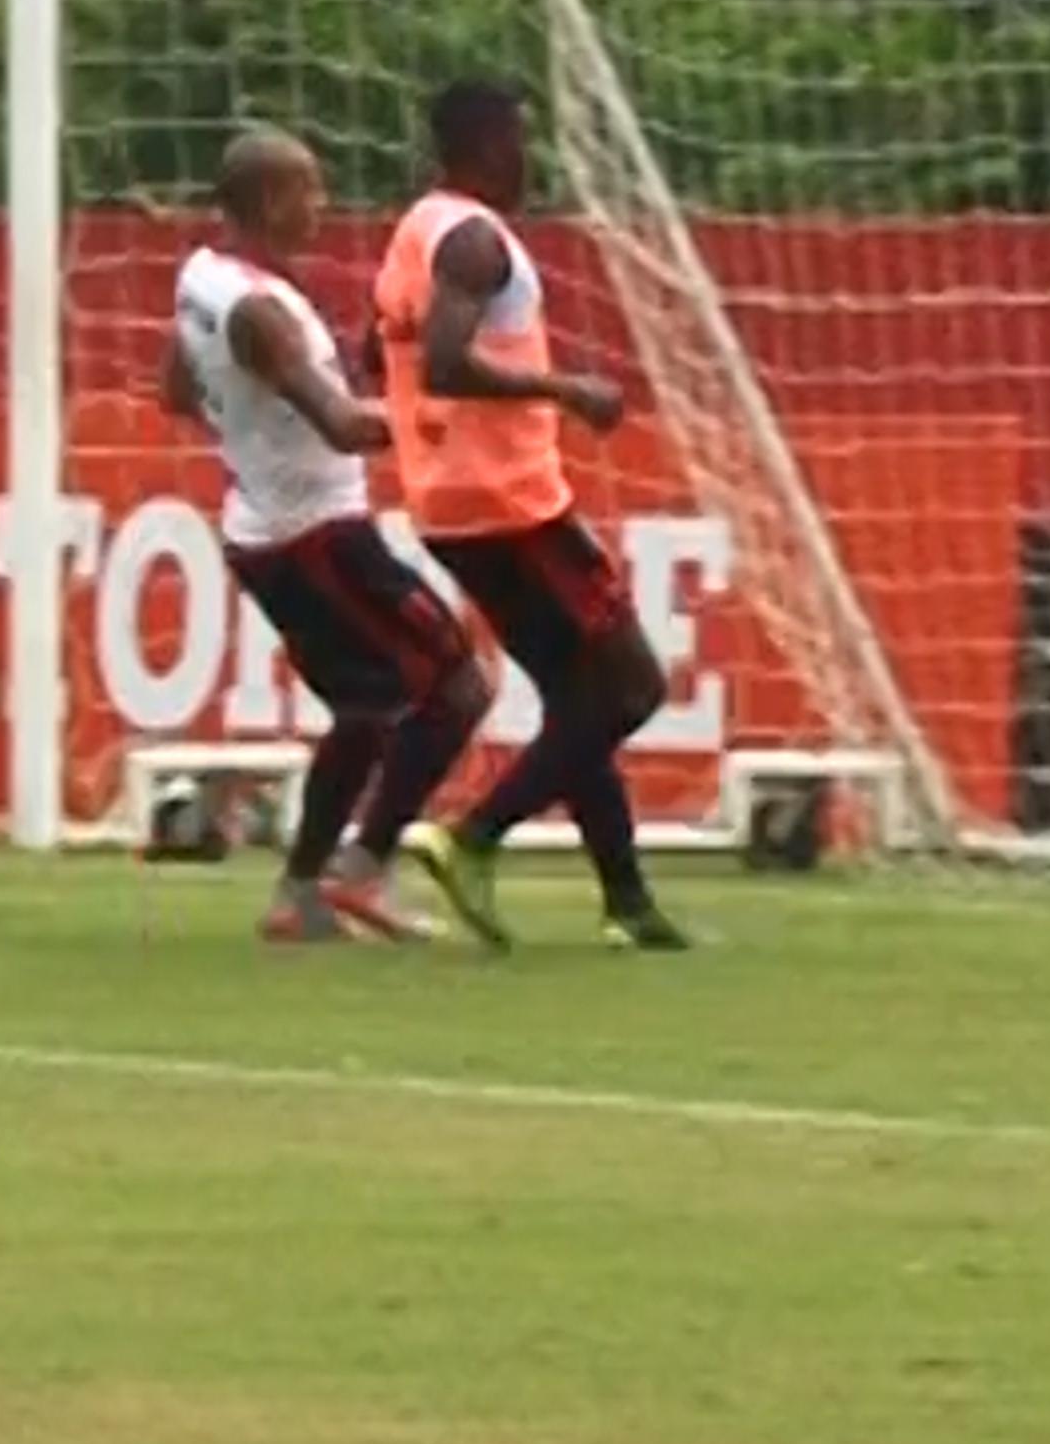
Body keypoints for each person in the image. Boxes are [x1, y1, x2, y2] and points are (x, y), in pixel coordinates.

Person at [374, 79, 695, 954]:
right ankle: (472, 837)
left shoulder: (417, 230)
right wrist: (566, 388)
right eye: (520, 137)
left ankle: (627, 903)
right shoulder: (475, 240)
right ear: (486, 146)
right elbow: (442, 361)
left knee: (574, 698)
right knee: (633, 686)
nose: (530, 156)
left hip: (450, 502)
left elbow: (385, 348)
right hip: (510, 503)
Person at [166, 128, 493, 945]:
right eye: (309, 190)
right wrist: (440, 418)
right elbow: (345, 427)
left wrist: (252, 427)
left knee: (367, 705)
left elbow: (175, 388)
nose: (322, 205)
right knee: (458, 687)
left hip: (263, 531)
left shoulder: (201, 280)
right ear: (271, 201)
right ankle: (363, 869)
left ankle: (299, 895)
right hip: (317, 536)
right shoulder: (262, 314)